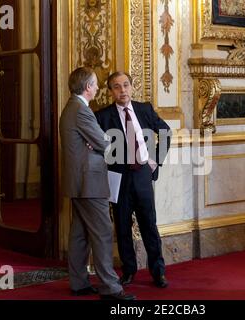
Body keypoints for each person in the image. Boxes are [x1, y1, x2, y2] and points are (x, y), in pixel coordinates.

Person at [59, 67, 135, 300]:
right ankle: (110, 288)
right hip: (89, 182)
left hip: (81, 182)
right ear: (87, 86)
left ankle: (79, 282)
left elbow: (97, 142)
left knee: (80, 234)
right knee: (102, 233)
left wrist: (97, 143)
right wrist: (103, 142)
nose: (98, 87)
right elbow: (105, 144)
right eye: (95, 83)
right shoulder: (81, 110)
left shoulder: (73, 107)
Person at [96, 71, 172, 288]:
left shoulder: (144, 109)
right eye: (117, 87)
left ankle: (158, 272)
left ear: (131, 87)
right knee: (122, 228)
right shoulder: (102, 116)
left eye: (126, 85)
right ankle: (128, 271)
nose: (122, 90)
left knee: (149, 225)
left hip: (142, 177)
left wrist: (156, 161)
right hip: (118, 179)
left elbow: (166, 132)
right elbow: (98, 149)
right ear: (110, 91)